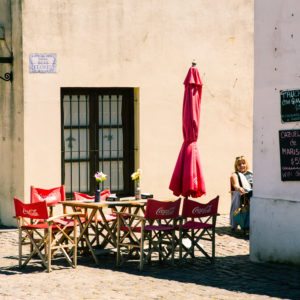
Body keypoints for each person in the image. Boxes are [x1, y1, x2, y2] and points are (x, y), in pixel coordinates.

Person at [230, 155, 253, 231]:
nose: (242, 165)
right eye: (239, 164)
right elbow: (235, 185)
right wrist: (239, 188)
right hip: (243, 193)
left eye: (243, 163)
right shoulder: (235, 175)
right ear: (236, 166)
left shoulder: (251, 173)